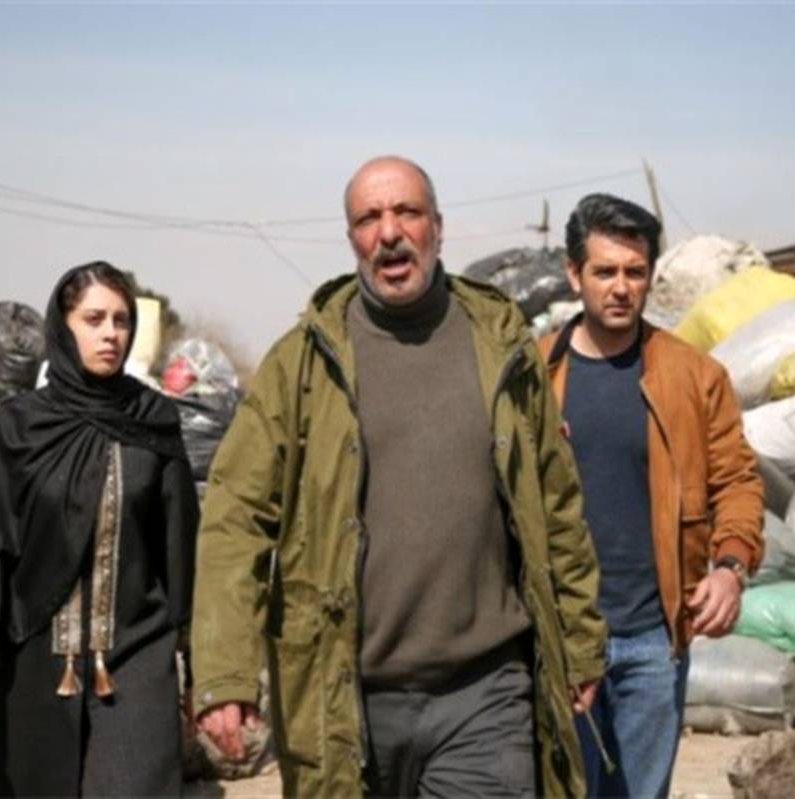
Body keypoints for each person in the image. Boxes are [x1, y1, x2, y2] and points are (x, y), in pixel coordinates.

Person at [192, 156, 606, 798]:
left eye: (407, 212)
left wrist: (579, 642)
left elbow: (556, 503)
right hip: (345, 697)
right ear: (352, 238)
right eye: (369, 218)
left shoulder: (500, 344)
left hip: (485, 694)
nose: (389, 233)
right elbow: (235, 518)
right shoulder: (301, 365)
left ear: (437, 226)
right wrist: (225, 673)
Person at [0, 261, 199, 796]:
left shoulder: (152, 423)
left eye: (121, 320)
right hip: (30, 670)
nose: (110, 333)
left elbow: (183, 556)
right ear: (63, 326)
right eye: (93, 319)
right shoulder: (19, 429)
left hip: (137, 667)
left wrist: (200, 675)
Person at [540, 194, 764, 798]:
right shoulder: (536, 376)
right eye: (605, 271)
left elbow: (737, 481)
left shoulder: (694, 376)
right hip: (563, 638)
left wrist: (730, 568)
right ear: (574, 274)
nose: (620, 288)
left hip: (651, 638)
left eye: (634, 272)